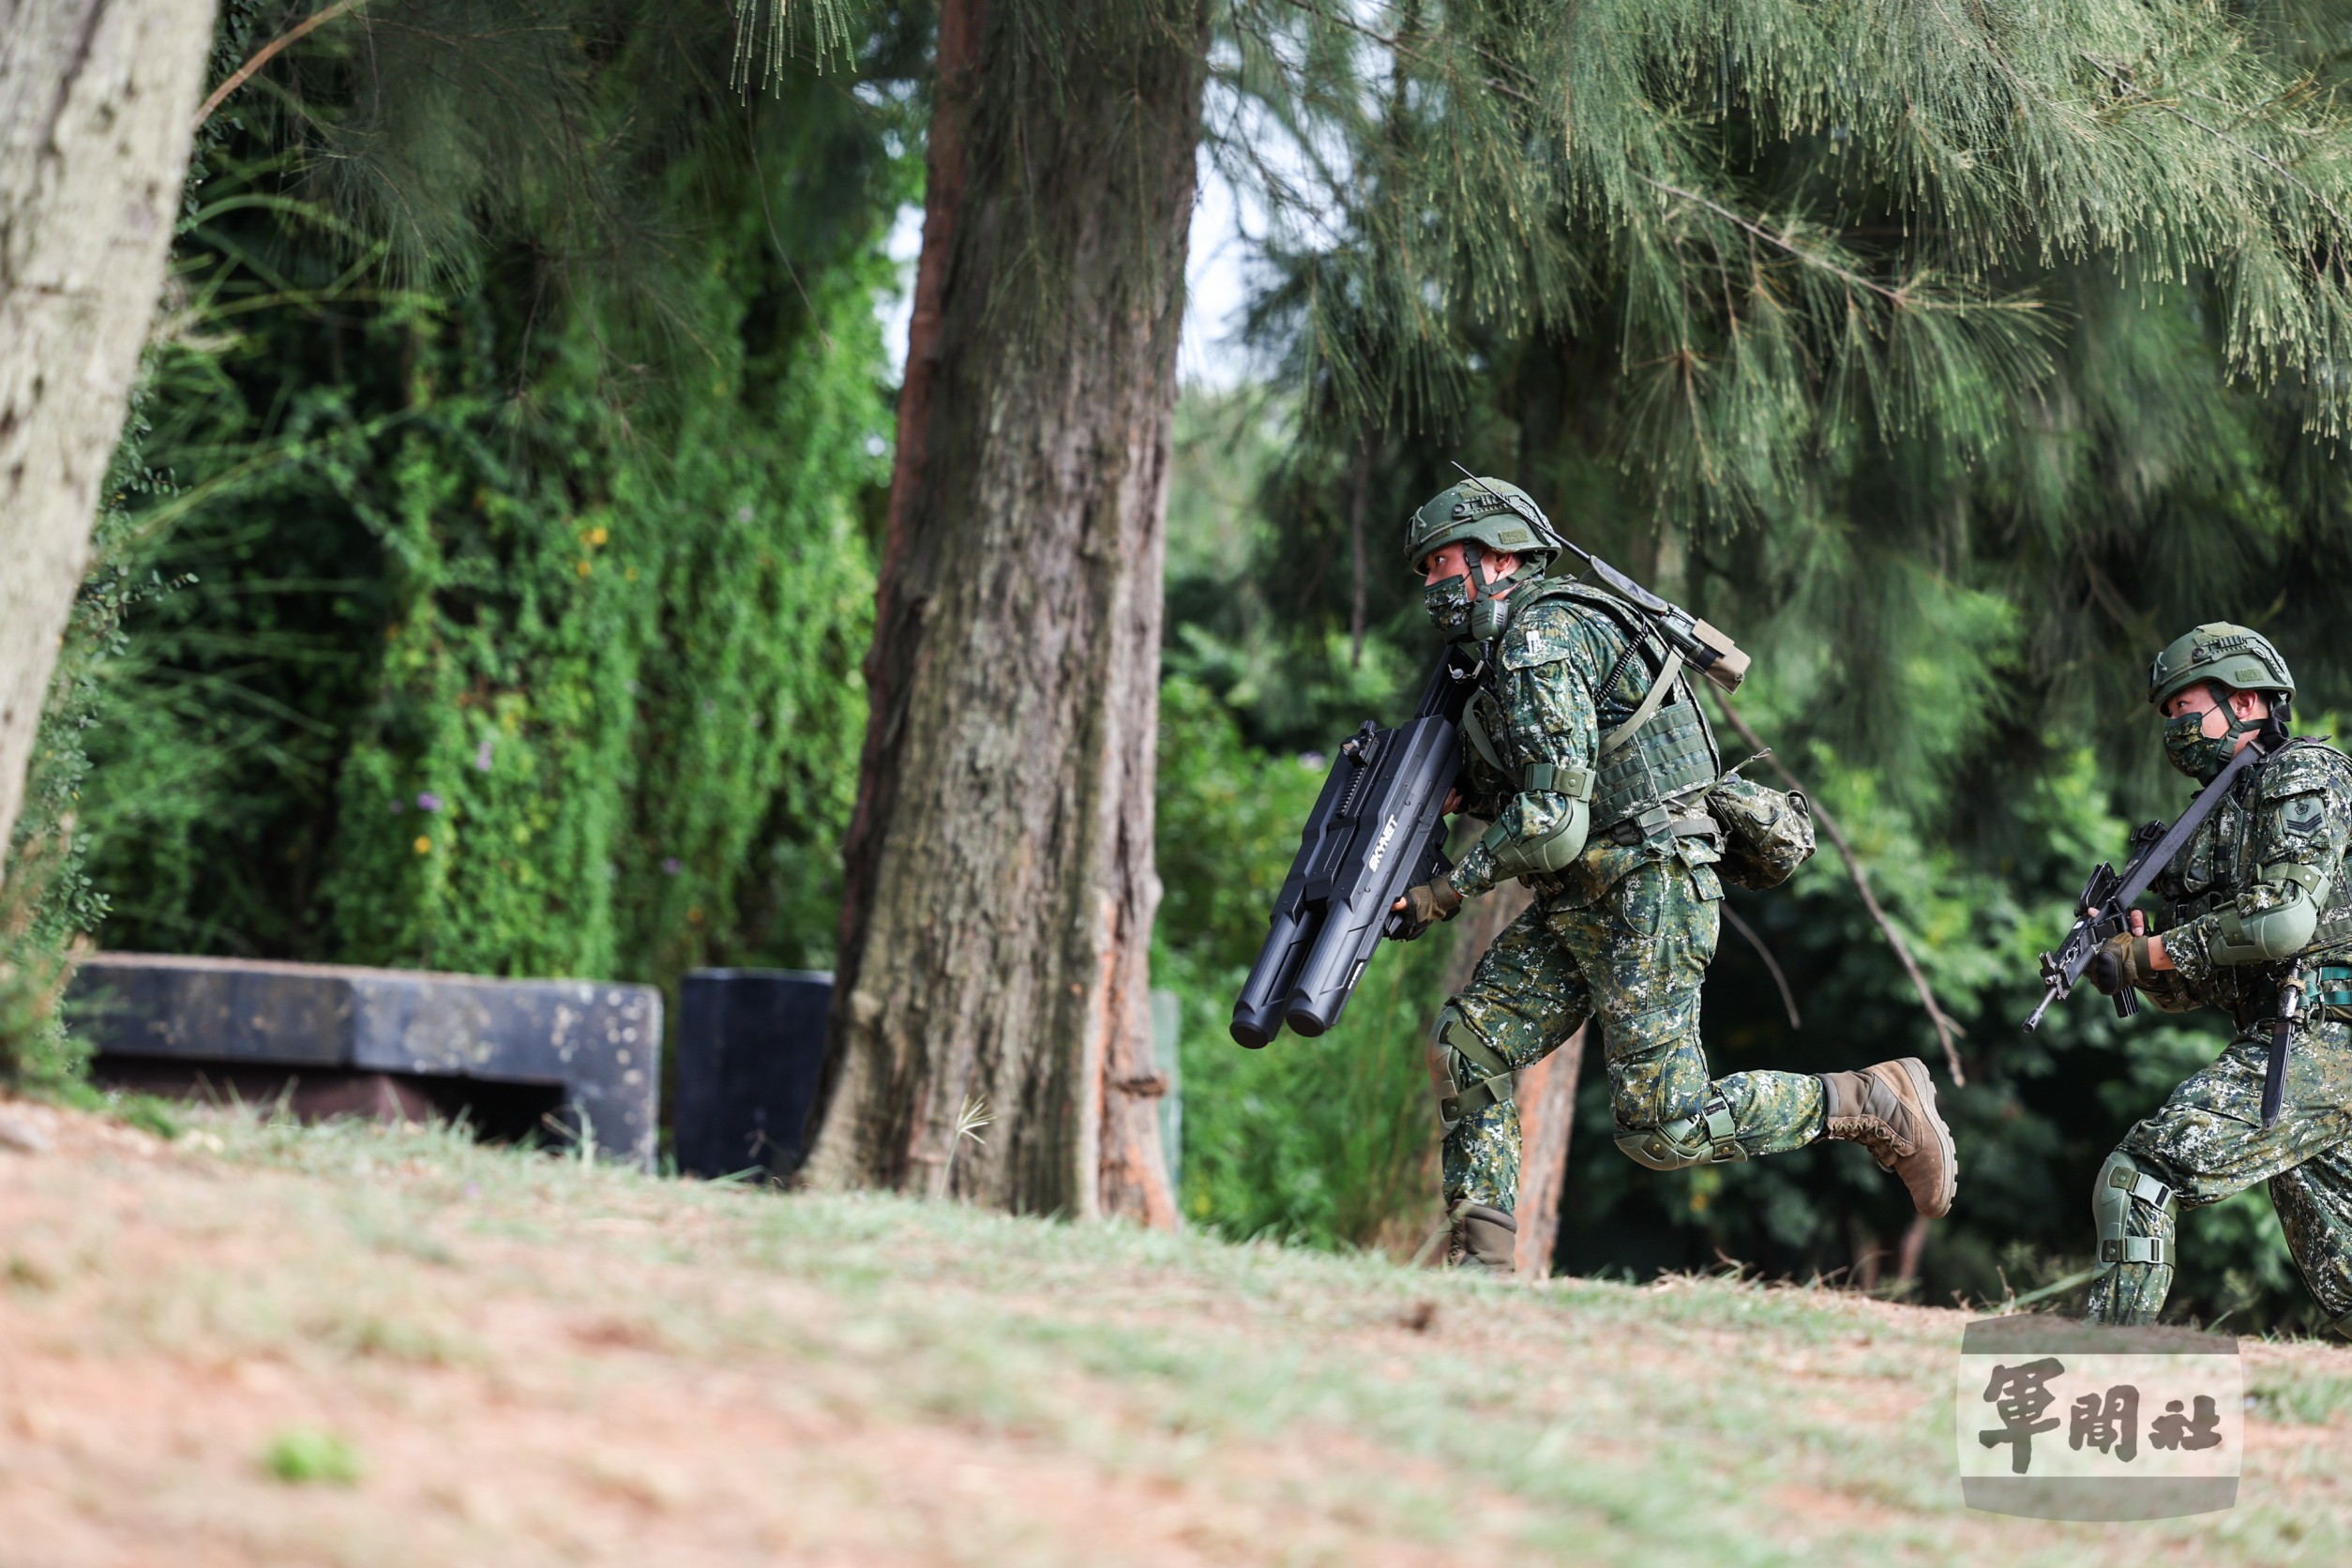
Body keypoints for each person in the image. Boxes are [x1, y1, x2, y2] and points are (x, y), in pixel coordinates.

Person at [1392, 476, 1956, 1270]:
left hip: (1649, 885)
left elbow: (1554, 822)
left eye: (1440, 562)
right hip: (1589, 890)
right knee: (1469, 1048)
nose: (1431, 584)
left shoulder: (1540, 637)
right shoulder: (1526, 641)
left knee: (1665, 1127)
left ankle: (1871, 1100)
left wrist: (1446, 889)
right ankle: (1480, 1272)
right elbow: (1566, 777)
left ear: (1497, 557)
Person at [2083, 623, 2352, 1333]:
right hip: (2298, 1041)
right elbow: (2210, 980)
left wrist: (2155, 954)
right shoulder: (2209, 824)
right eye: (2165, 715)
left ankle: (2103, 1361)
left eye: (2184, 706)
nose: (2174, 727)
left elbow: (2284, 924)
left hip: (2325, 1038)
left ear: (2248, 699)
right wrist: (2137, 963)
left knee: (2139, 1175)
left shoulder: (2305, 774)